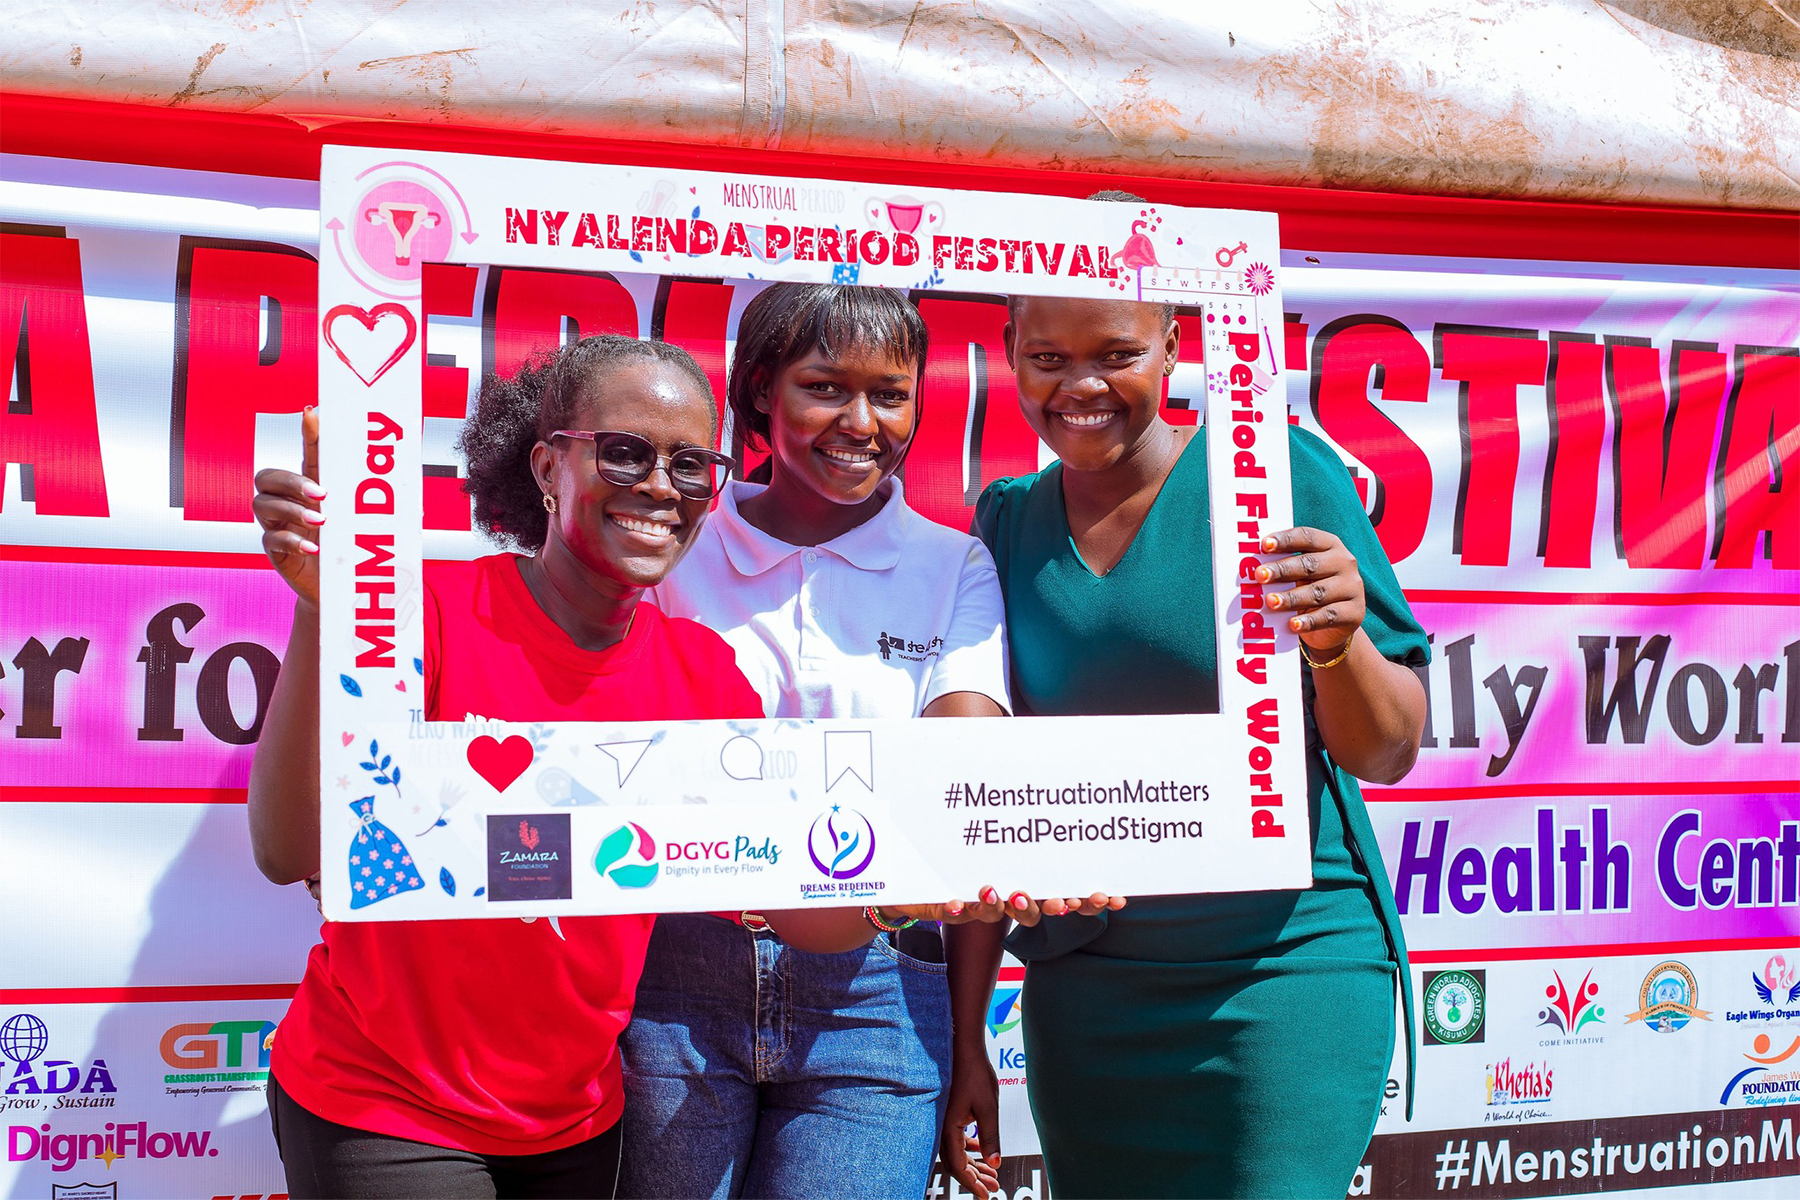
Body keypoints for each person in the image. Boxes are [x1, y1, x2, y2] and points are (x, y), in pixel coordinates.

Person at [619, 283, 1117, 1200]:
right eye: (824, 387)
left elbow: (957, 814)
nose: (862, 422)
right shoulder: (671, 550)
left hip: (879, 994)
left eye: (890, 393)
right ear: (762, 389)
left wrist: (969, 1043)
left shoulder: (954, 564)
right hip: (669, 983)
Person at [965, 228, 1430, 1196]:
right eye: (1047, 358)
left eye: (1117, 354)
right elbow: (977, 795)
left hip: (1282, 977)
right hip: (1090, 1001)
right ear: (1007, 353)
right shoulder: (1003, 526)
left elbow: (1388, 750)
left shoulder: (1278, 480)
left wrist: (1340, 644)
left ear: (1176, 345)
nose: (1079, 385)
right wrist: (967, 1035)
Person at [246, 335, 764, 1199]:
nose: (662, 487)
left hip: (576, 1121)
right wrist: (323, 609)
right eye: (626, 452)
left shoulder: (708, 676)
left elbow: (782, 891)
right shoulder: (430, 617)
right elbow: (288, 852)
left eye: (692, 465)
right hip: (380, 1103)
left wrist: (909, 894)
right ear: (548, 467)